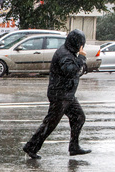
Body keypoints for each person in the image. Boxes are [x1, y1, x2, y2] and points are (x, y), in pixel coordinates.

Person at [23, 29, 91, 160]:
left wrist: (80, 60)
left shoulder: (69, 52)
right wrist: (82, 58)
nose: (82, 47)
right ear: (76, 43)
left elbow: (75, 71)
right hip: (60, 95)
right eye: (81, 44)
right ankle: (31, 146)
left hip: (68, 94)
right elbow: (70, 71)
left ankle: (74, 146)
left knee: (79, 117)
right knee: (50, 123)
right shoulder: (65, 54)